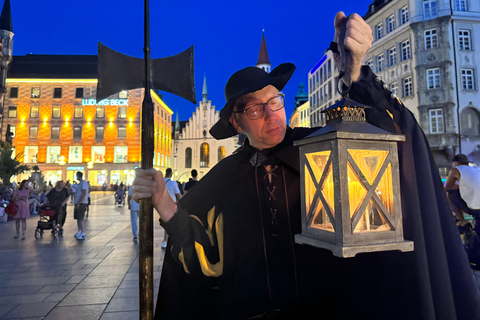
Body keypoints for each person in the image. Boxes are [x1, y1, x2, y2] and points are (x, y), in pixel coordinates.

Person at [133, 12, 480, 320]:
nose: (271, 114)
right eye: (255, 109)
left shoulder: (322, 149)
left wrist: (355, 72)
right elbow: (203, 261)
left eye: (275, 101)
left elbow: (390, 134)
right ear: (237, 123)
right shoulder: (224, 178)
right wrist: (163, 200)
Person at [445, 154, 480, 227]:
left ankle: (462, 222)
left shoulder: (455, 169)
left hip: (476, 209)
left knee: (449, 194)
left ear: (455, 163)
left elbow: (447, 187)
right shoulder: (476, 168)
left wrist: (458, 186)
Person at [161, 168, 182, 248]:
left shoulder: (161, 182)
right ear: (171, 174)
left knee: (166, 222)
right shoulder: (173, 183)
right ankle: (170, 240)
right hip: (171, 204)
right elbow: (178, 194)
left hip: (162, 204)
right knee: (173, 222)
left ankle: (165, 241)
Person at [73, 172, 89, 240]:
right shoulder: (79, 183)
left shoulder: (83, 183)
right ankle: (79, 230)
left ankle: (82, 232)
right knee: (78, 217)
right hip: (78, 202)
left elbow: (84, 193)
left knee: (80, 217)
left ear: (78, 176)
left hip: (82, 203)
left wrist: (79, 202)